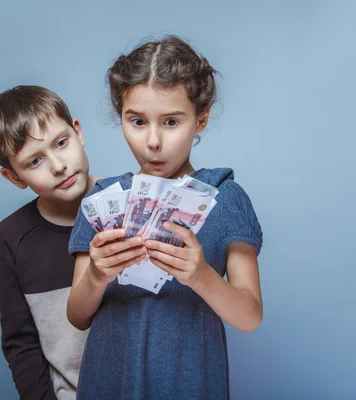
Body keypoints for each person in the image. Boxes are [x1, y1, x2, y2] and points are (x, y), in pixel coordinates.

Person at [66, 36, 265, 399]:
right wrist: (96, 275)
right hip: (110, 378)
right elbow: (77, 317)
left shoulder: (226, 197)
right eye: (137, 121)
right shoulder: (101, 200)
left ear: (200, 119)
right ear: (120, 118)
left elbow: (250, 316)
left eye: (171, 122)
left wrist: (201, 276)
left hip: (187, 379)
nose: (153, 141)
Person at [0, 85, 97, 399]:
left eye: (61, 143)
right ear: (15, 178)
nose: (58, 165)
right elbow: (21, 345)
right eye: (34, 162)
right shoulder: (12, 237)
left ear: (78, 132)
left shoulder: (132, 200)